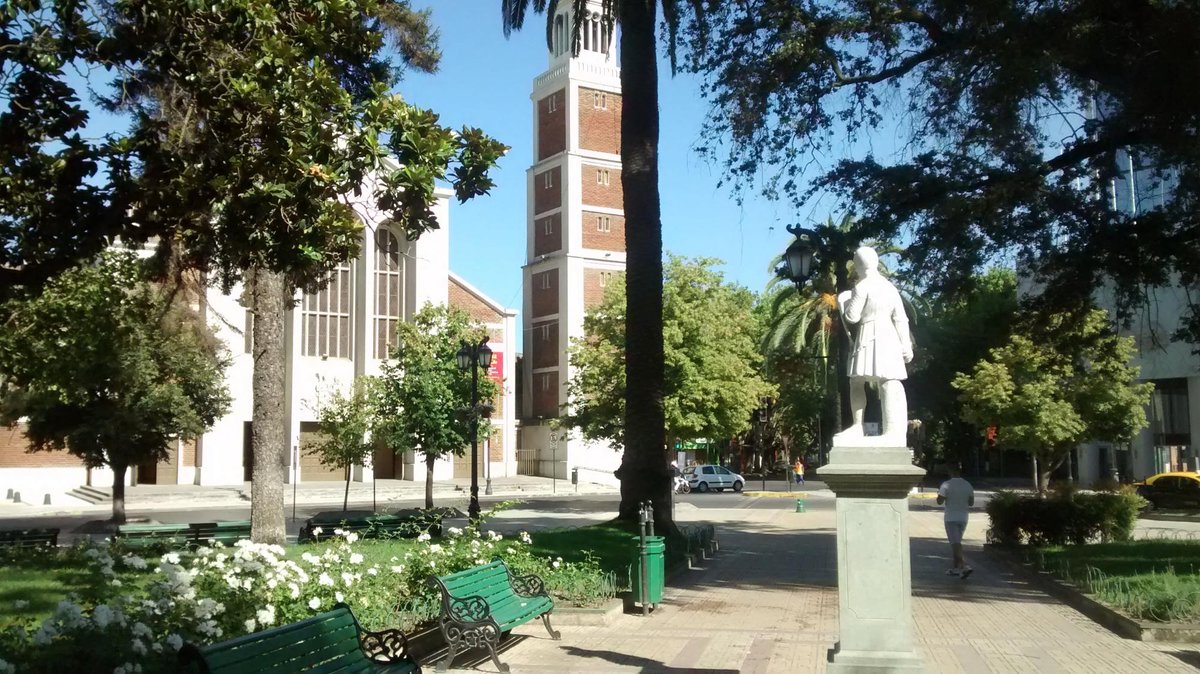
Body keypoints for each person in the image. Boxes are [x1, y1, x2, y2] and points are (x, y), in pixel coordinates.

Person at [834, 246, 914, 444]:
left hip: (868, 334)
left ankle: (858, 425)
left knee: (856, 380)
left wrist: (843, 300)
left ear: (858, 265)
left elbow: (852, 317)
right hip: (890, 335)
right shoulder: (890, 288)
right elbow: (901, 319)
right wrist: (906, 344)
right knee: (888, 380)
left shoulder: (862, 287)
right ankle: (892, 431)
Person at [937, 464, 975, 579]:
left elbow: (939, 501)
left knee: (955, 543)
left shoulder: (946, 485)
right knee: (957, 542)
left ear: (950, 471)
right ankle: (955, 568)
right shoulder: (967, 484)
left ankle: (964, 566)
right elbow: (971, 502)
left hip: (950, 518)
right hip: (963, 518)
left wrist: (940, 496)